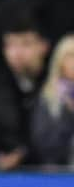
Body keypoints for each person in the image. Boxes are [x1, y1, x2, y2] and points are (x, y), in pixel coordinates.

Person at [0, 15, 50, 170]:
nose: (16, 53)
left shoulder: (58, 85)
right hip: (9, 177)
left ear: (44, 46)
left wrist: (25, 154)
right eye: (10, 45)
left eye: (26, 44)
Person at [31, 34, 74, 166]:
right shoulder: (48, 97)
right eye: (71, 56)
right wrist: (68, 114)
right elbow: (43, 144)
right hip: (57, 172)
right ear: (59, 61)